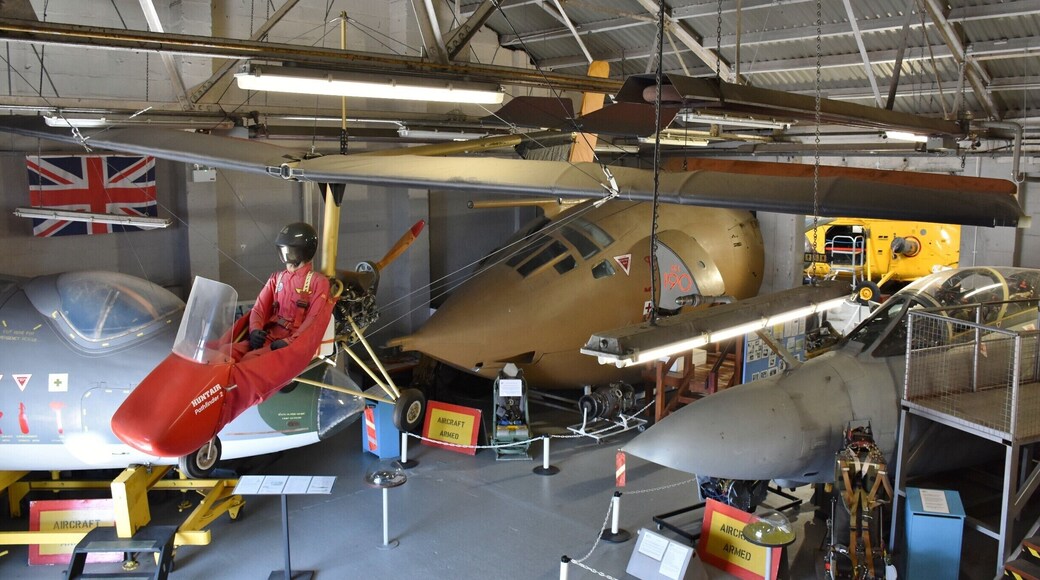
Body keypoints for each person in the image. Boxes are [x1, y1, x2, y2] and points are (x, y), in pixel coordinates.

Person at [233, 222, 332, 362]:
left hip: (292, 342)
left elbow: (313, 319)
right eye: (282, 250)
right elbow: (259, 308)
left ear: (304, 251)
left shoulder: (318, 282)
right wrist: (255, 330)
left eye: (288, 250)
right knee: (228, 351)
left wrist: (290, 341)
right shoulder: (277, 278)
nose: (285, 254)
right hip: (269, 335)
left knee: (249, 360)